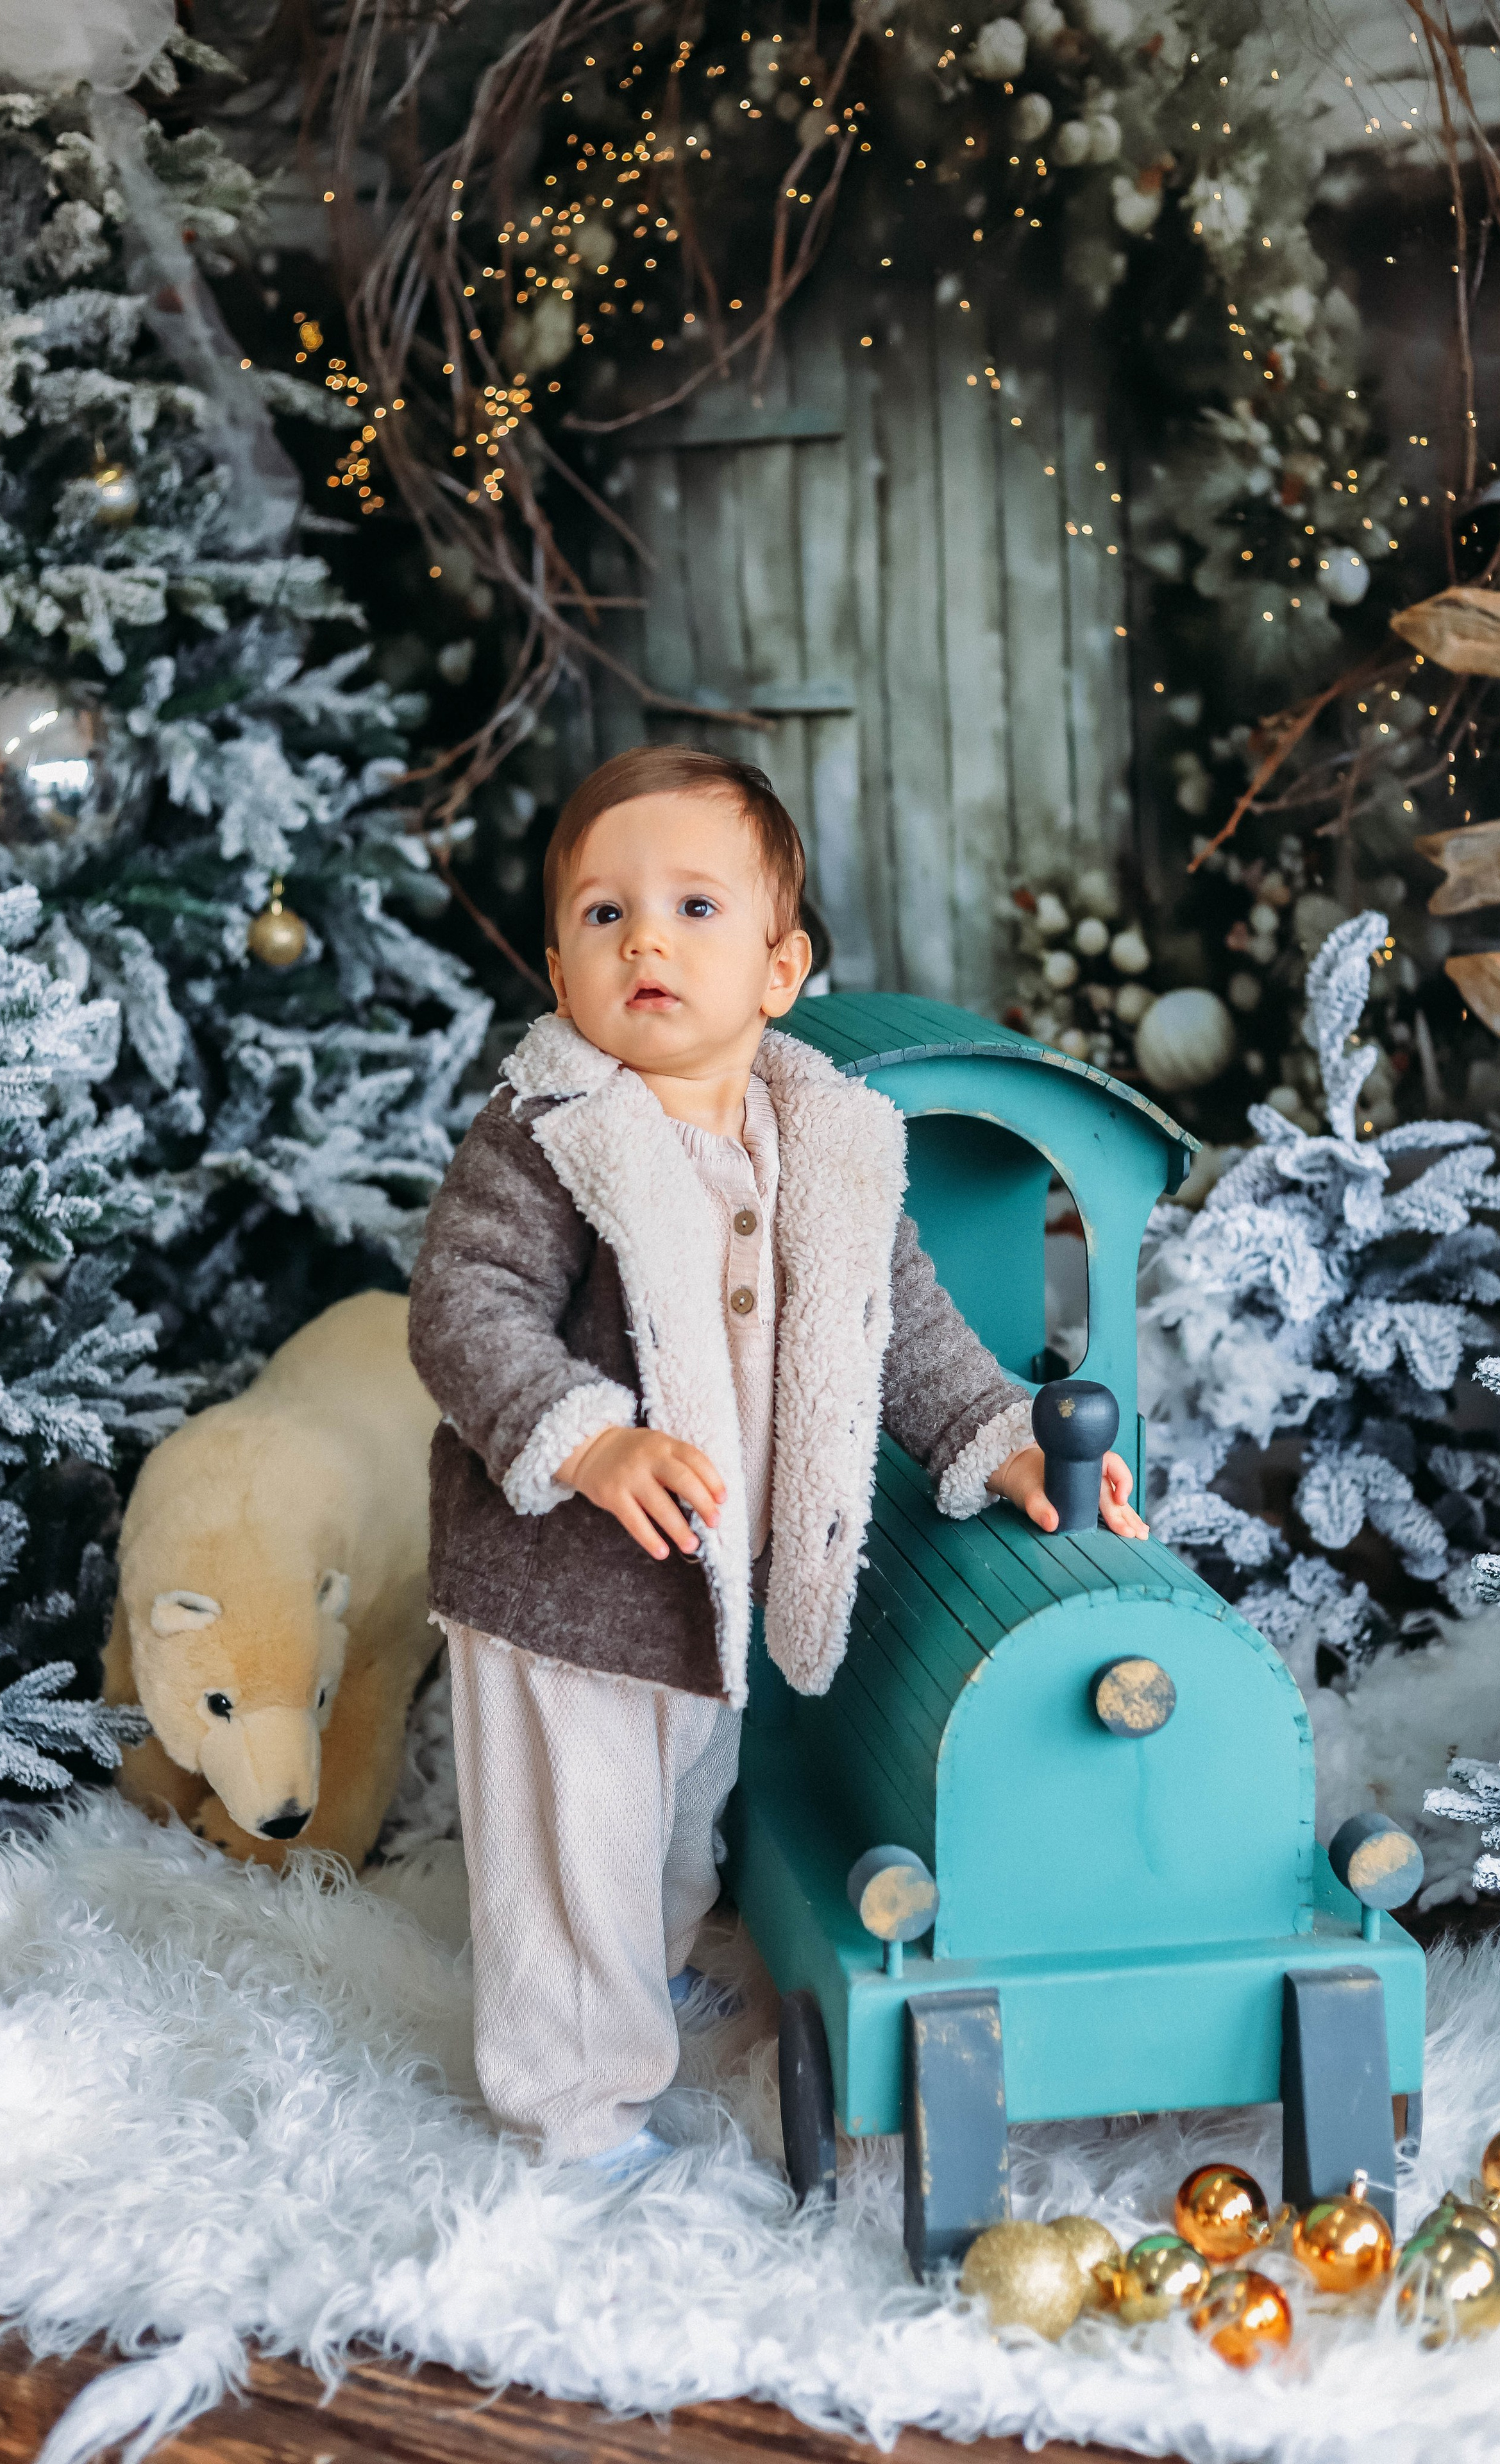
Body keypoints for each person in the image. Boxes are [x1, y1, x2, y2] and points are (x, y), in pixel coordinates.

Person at [407, 745, 1145, 2177]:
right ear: (559, 973)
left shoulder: (824, 1138)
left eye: (693, 907)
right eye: (603, 916)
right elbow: (463, 1308)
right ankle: (572, 2099)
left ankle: (653, 1967)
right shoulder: (553, 1131)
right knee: (575, 1851)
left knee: (681, 1823)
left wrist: (998, 1443)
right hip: (560, 1582)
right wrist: (588, 1433)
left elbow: (900, 1329)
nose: (645, 943)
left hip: (714, 1578)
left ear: (778, 966)